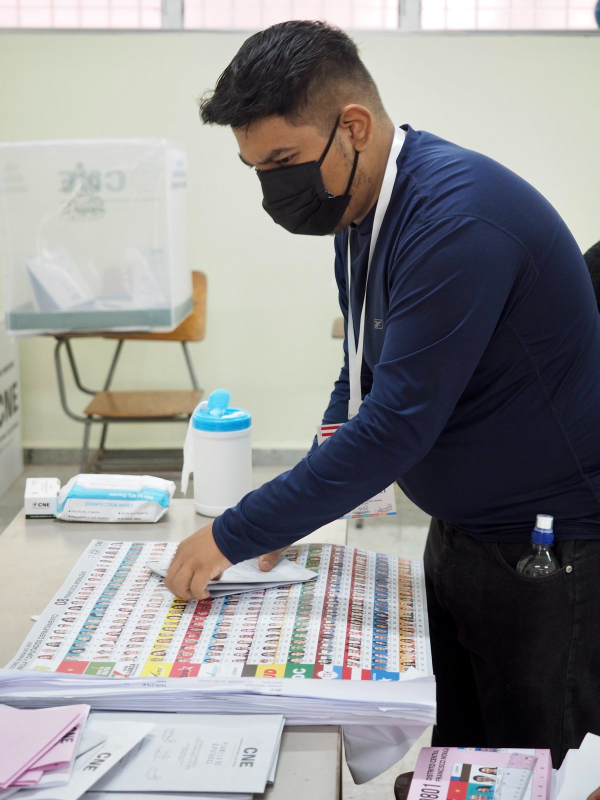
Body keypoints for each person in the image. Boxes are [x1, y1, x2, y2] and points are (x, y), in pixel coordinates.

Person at [165, 20, 600, 764]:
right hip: (463, 536)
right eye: (255, 168)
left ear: (353, 127)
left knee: (534, 765)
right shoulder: (362, 210)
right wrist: (297, 504)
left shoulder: (456, 222)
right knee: (463, 759)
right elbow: (361, 372)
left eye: (283, 160)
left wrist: (235, 531)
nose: (273, 188)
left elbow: (396, 426)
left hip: (545, 556)